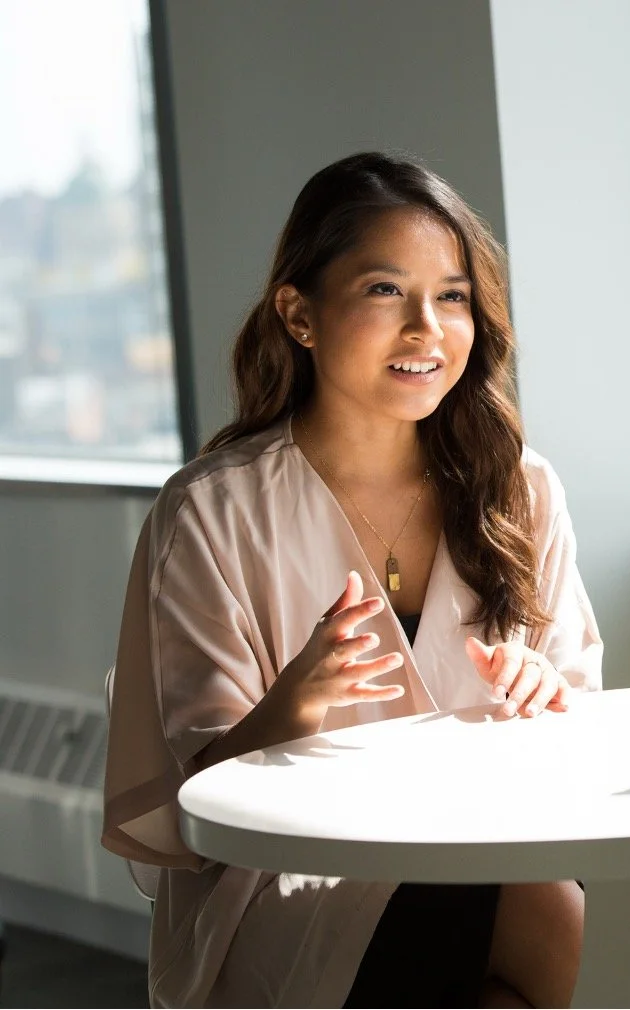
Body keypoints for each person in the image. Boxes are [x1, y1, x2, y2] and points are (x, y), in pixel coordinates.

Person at [101, 152, 602, 1008]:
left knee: (539, 896)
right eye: (384, 291)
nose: (428, 329)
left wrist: (544, 689)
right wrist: (295, 701)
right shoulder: (212, 513)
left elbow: (583, 728)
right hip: (286, 886)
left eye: (451, 296)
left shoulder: (520, 488)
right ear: (299, 314)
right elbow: (200, 813)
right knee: (532, 905)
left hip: (486, 850)